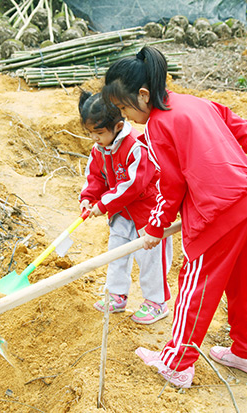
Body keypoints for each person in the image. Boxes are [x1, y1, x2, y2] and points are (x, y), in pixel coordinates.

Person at [102, 46, 247, 388]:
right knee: (244, 283)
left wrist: (154, 226)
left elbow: (171, 185)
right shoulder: (194, 102)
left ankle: (177, 363)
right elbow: (244, 128)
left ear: (142, 95)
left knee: (194, 285)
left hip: (219, 213)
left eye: (124, 108)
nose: (125, 117)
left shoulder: (158, 125)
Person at [77, 90, 173, 325]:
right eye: (90, 133)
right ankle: (116, 294)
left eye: (99, 133)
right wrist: (89, 197)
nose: (95, 139)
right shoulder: (99, 149)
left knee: (149, 256)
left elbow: (133, 185)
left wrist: (103, 204)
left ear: (118, 127)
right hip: (121, 213)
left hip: (147, 213)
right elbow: (95, 177)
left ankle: (156, 301)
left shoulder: (137, 148)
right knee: (116, 252)